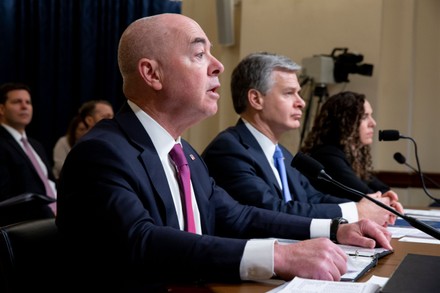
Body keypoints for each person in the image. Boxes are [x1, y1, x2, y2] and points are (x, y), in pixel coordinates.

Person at [56, 14, 392, 292]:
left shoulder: (184, 153)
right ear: (151, 73)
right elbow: (142, 242)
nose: (217, 66)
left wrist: (336, 230)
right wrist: (277, 256)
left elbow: (240, 216)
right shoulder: (101, 153)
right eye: (200, 54)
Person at [202, 52, 402, 226]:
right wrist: (356, 212)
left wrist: (368, 204)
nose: (302, 102)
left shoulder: (283, 155)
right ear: (256, 99)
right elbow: (272, 210)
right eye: (289, 93)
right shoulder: (229, 149)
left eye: (299, 93)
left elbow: (313, 198)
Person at [300, 91, 404, 212]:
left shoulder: (348, 155)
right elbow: (365, 196)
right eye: (364, 117)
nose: (373, 123)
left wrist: (387, 196)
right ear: (344, 122)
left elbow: (381, 188)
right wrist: (385, 198)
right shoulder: (328, 155)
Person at [0, 82, 57, 226]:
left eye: (28, 102)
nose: (24, 106)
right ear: (1, 108)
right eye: (17, 102)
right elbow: (7, 197)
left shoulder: (36, 145)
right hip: (30, 224)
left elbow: (50, 183)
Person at [52, 114, 87, 180]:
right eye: (81, 129)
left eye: (87, 129)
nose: (85, 132)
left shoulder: (89, 144)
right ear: (74, 131)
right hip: (61, 180)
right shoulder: (63, 142)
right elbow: (59, 165)